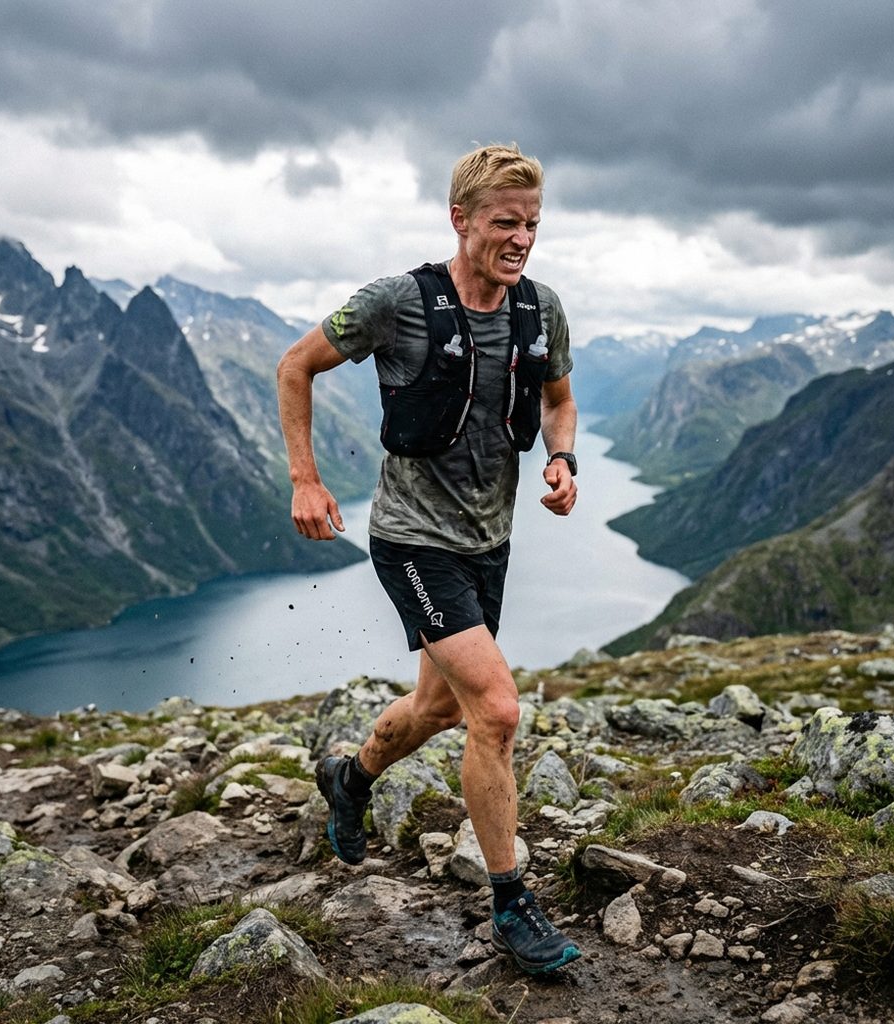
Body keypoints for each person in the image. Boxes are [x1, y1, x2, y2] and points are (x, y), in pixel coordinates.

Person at [277, 143, 580, 974]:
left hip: (490, 541)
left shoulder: (540, 310)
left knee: (440, 709)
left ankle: (352, 776)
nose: (520, 239)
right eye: (503, 223)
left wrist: (562, 459)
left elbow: (557, 400)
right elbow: (295, 364)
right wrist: (305, 478)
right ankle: (513, 904)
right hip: (412, 539)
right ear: (461, 219)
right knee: (498, 710)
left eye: (531, 224)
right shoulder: (400, 303)